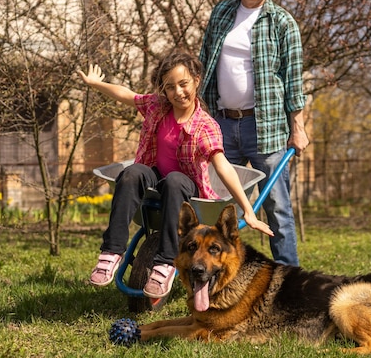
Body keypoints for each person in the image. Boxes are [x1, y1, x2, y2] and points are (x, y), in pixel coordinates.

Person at [77, 48, 273, 298]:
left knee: (174, 180)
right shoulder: (157, 107)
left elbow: (222, 165)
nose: (178, 92)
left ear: (196, 80)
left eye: (183, 84)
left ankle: (166, 261)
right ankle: (112, 251)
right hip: (154, 178)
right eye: (170, 87)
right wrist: (97, 84)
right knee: (131, 172)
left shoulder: (205, 126)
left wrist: (248, 209)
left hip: (185, 190)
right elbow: (127, 95)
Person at [199, 0, 309, 266]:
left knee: (277, 206)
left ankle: (288, 277)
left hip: (267, 127)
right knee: (219, 206)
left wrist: (297, 127)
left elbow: (292, 78)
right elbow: (205, 63)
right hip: (221, 123)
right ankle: (215, 273)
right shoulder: (221, 14)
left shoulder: (283, 23)